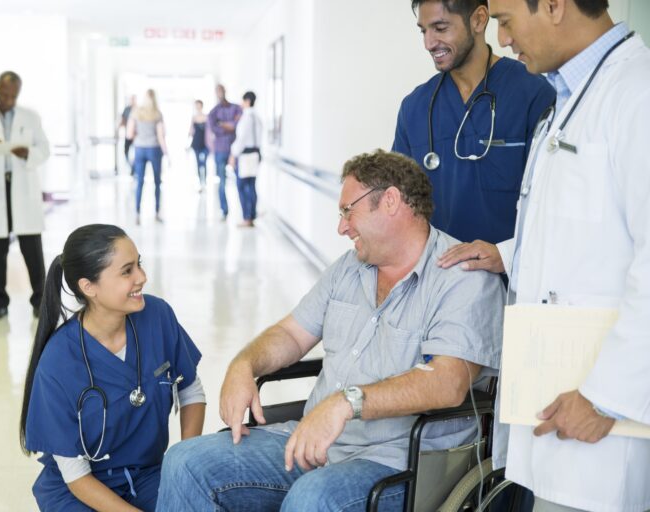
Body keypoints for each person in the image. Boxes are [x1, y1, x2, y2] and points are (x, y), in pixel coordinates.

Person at [155, 150, 504, 511]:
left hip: (404, 463)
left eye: (347, 211)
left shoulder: (462, 278)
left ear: (390, 201)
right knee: (186, 462)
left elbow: (448, 383)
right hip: (315, 440)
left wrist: (346, 403)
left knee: (313, 498)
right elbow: (292, 334)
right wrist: (244, 365)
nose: (342, 227)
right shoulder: (349, 269)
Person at [438, 1, 650, 510]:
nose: (504, 40)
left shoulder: (637, 95)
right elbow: (590, 231)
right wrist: (508, 255)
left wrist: (605, 397)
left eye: (507, 21)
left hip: (601, 416)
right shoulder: (572, 97)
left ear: (554, 6)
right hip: (560, 398)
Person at [20, 224, 206, 511]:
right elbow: (75, 474)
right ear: (88, 287)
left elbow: (190, 387)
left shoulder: (157, 316)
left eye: (139, 265)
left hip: (148, 475)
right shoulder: (59, 360)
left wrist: (184, 463)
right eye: (127, 271)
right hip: (80, 490)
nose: (142, 277)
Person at [393, 0, 555, 244]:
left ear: (479, 19)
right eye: (423, 31)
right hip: (440, 276)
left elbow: (553, 204)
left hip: (510, 276)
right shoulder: (415, 108)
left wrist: (505, 256)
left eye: (440, 27)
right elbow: (397, 204)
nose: (429, 43)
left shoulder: (534, 93)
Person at [0, 71, 50, 321]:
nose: (8, 100)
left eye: (13, 96)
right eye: (4, 94)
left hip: (22, 188)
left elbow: (44, 149)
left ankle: (41, 300)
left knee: (32, 249)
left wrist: (27, 153)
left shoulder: (31, 117)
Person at [128, 89, 170, 224]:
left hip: (140, 149)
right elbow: (161, 136)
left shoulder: (136, 113)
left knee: (139, 182)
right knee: (157, 182)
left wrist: (138, 138)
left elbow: (129, 134)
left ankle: (137, 214)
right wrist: (167, 154)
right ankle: (157, 213)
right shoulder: (157, 114)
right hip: (154, 149)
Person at [207, 84, 242, 221]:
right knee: (221, 182)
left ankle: (244, 212)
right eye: (217, 91)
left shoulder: (236, 108)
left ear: (225, 91)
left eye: (221, 91)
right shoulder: (213, 112)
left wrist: (223, 124)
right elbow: (216, 130)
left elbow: (237, 125)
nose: (220, 93)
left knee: (240, 180)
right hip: (220, 150)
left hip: (235, 150)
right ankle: (224, 210)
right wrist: (230, 125)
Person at [229, 91, 263, 228]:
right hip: (255, 154)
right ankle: (251, 215)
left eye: (243, 101)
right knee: (252, 185)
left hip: (245, 155)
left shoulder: (246, 118)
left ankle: (247, 217)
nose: (241, 104)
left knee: (242, 186)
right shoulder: (257, 118)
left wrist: (233, 154)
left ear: (247, 101)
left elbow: (241, 139)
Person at [188, 99, 209, 191]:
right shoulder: (194, 118)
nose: (198, 107)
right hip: (196, 143)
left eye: (199, 105)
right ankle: (201, 183)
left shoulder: (206, 117)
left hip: (205, 143)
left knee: (204, 163)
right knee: (198, 163)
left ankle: (205, 182)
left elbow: (209, 130)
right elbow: (191, 131)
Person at [119, 95, 138, 164]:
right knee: (126, 150)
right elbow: (123, 120)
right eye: (131, 99)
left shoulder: (139, 109)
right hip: (128, 134)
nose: (132, 101)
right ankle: (130, 164)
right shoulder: (127, 109)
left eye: (133, 99)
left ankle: (134, 167)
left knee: (136, 151)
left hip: (137, 135)